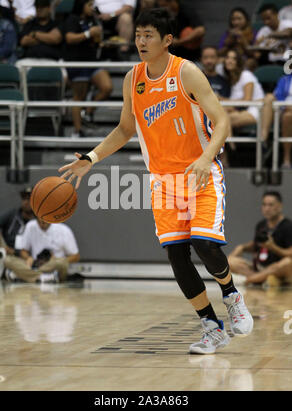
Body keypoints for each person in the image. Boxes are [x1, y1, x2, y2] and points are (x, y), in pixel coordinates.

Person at [58, 8, 253, 355]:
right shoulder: (134, 78)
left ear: (167, 40)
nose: (141, 41)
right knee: (177, 257)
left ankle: (231, 295)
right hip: (164, 181)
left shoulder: (187, 73)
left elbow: (221, 121)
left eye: (148, 35)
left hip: (201, 173)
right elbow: (124, 129)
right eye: (137, 35)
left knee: (205, 244)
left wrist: (207, 158)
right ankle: (211, 326)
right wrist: (91, 158)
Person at [64, 0, 113, 138]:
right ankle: (77, 131)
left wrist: (102, 43)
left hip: (92, 61)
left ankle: (87, 112)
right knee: (79, 97)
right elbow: (69, 38)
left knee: (107, 87)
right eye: (89, 5)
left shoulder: (93, 20)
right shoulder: (72, 19)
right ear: (81, 5)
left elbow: (95, 40)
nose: (93, 8)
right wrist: (88, 33)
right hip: (77, 63)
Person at [228, 191, 292, 287]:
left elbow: (290, 253)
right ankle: (262, 279)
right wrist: (242, 247)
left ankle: (249, 280)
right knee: (230, 261)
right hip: (260, 268)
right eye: (264, 205)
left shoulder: (288, 226)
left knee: (287, 263)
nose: (267, 208)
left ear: (280, 206)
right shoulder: (261, 225)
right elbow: (255, 244)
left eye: (271, 205)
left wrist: (273, 247)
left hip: (278, 268)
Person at [0, 217, 80, 283]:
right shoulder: (30, 226)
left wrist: (55, 260)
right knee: (7, 260)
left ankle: (22, 275)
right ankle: (44, 277)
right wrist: (28, 258)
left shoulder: (63, 230)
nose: (42, 224)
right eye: (39, 221)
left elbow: (76, 257)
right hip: (36, 264)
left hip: (53, 265)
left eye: (44, 222)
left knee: (61, 263)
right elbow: (23, 251)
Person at [0, 187, 35, 260]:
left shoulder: (39, 219)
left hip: (28, 255)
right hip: (7, 250)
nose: (26, 202)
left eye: (29, 199)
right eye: (24, 198)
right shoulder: (13, 214)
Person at [17, 0, 63, 64]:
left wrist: (34, 34)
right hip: (29, 59)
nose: (39, 9)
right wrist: (47, 38)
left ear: (49, 8)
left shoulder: (56, 24)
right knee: (19, 64)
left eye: (42, 7)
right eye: (37, 7)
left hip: (51, 60)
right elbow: (24, 41)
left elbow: (55, 39)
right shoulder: (29, 24)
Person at [261, 73, 292, 168]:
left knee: (288, 116)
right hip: (283, 110)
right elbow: (277, 96)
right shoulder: (285, 79)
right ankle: (263, 138)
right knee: (269, 98)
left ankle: (286, 158)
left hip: (288, 111)